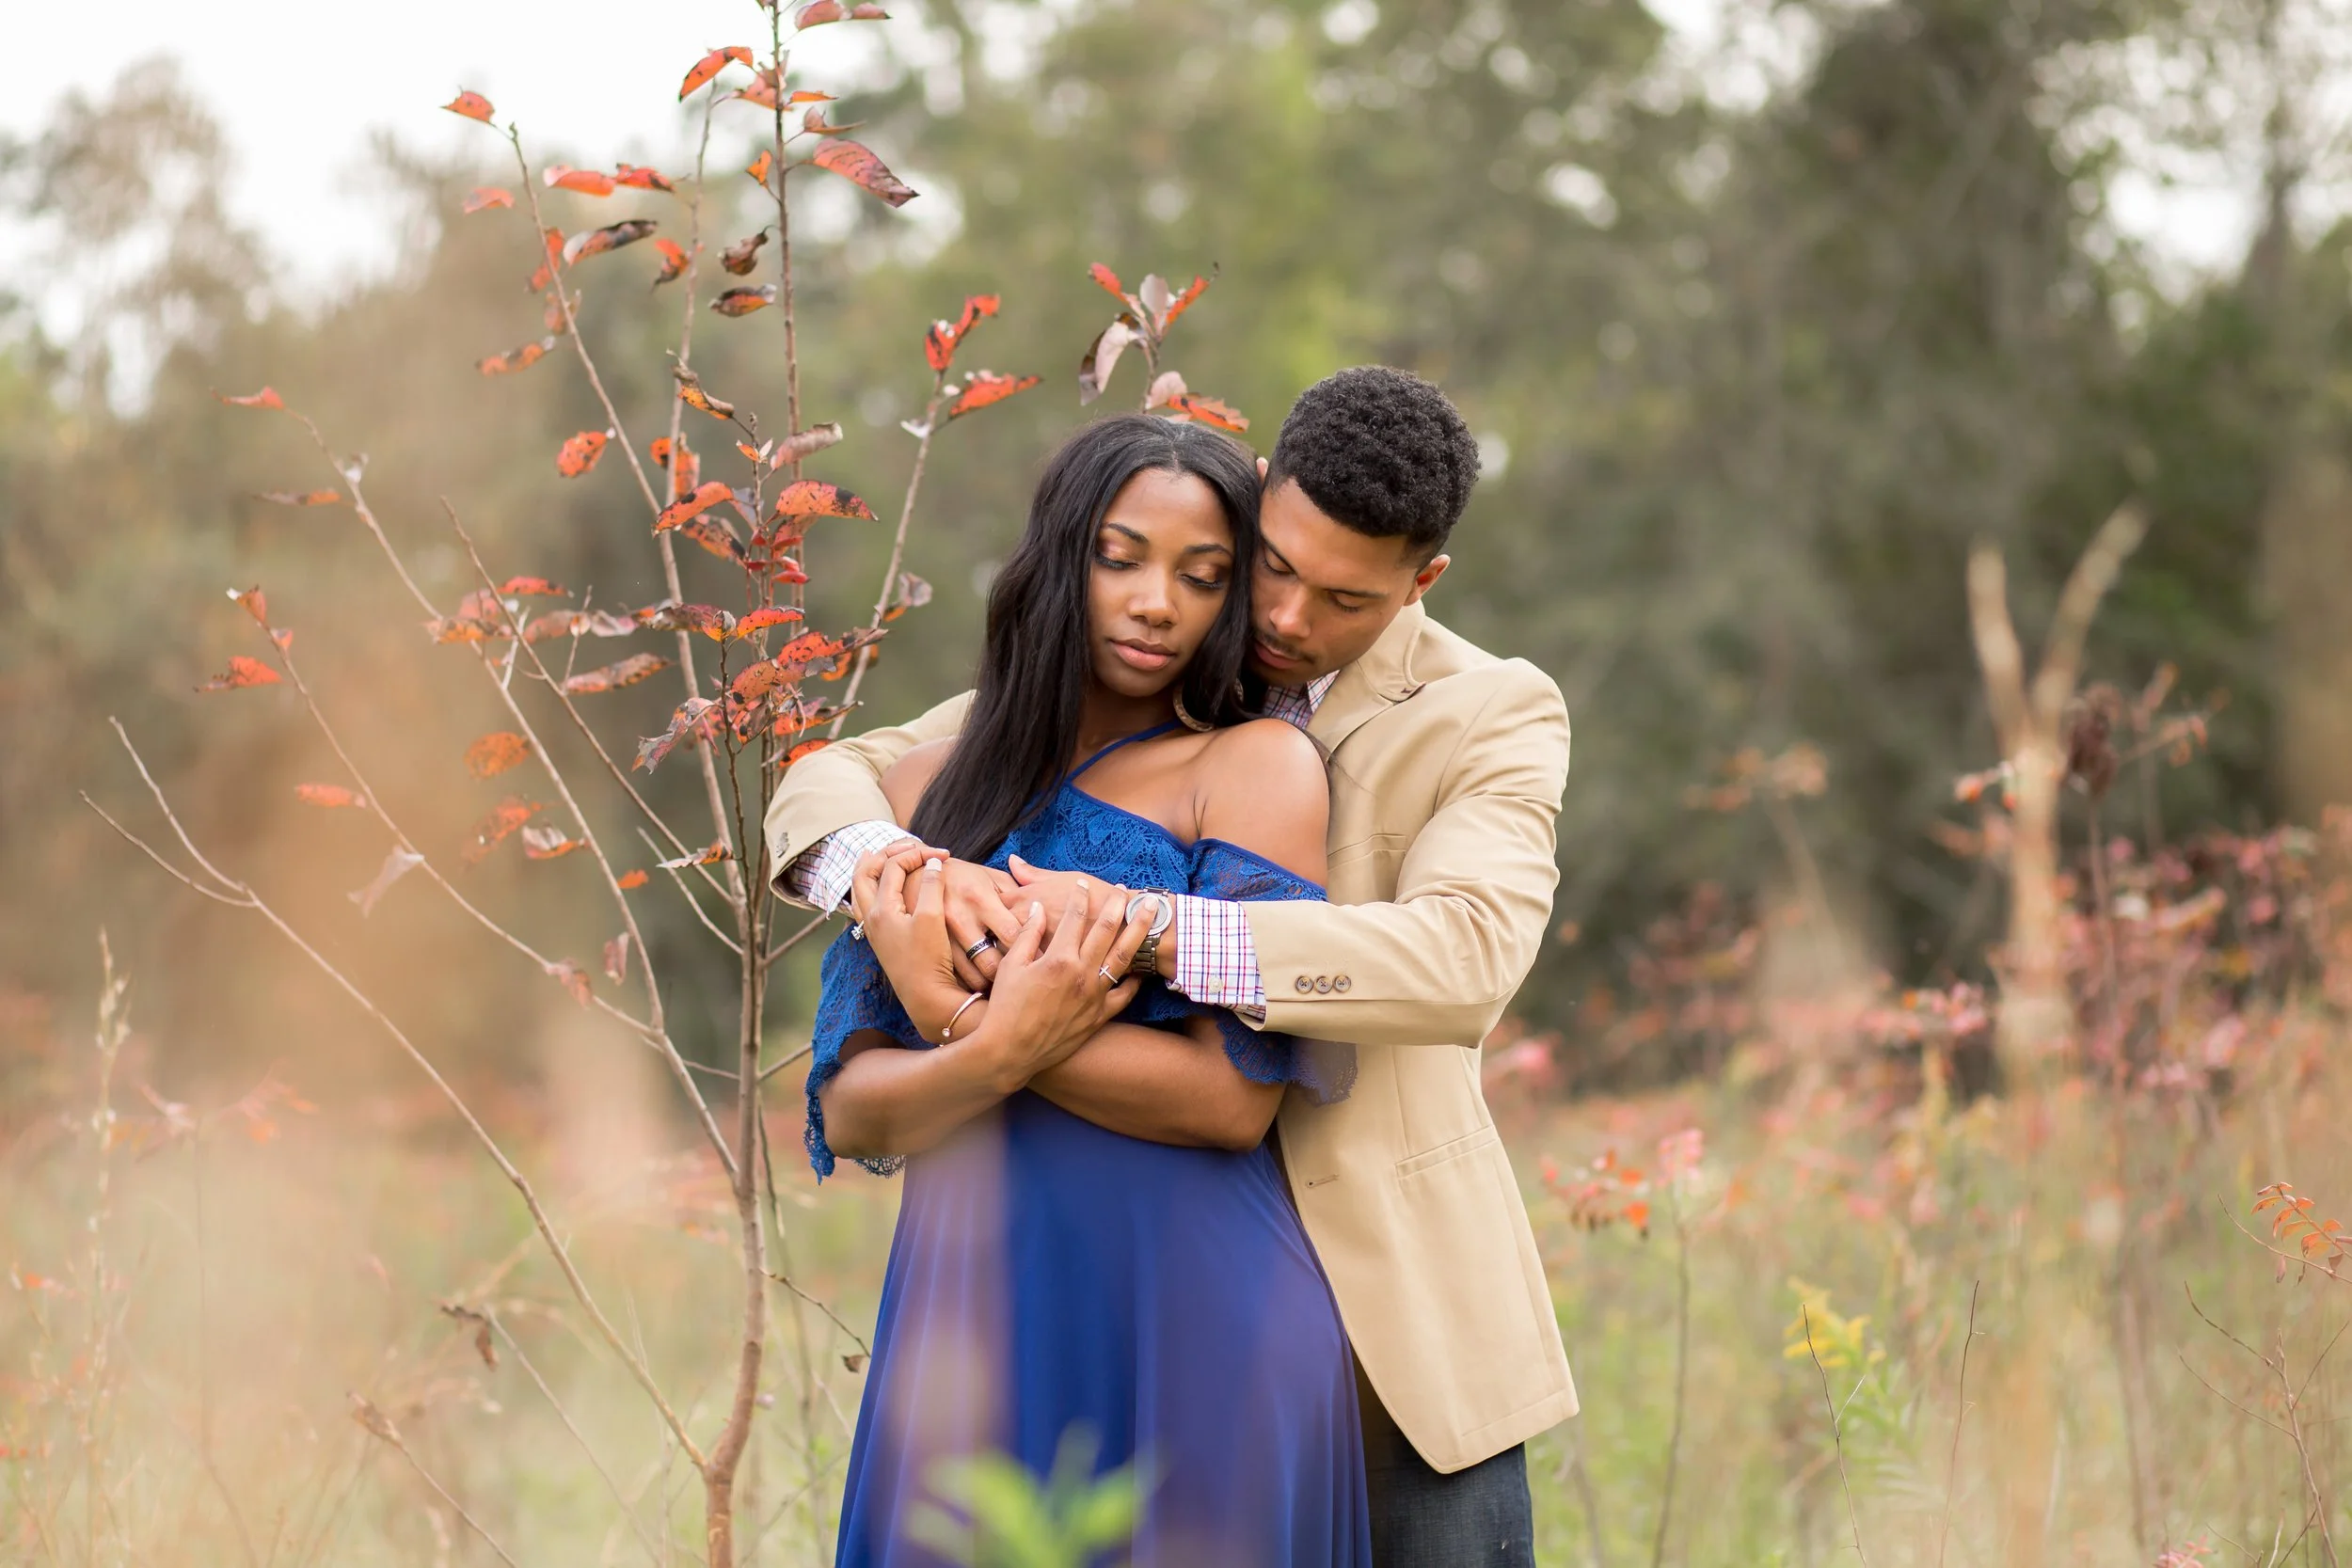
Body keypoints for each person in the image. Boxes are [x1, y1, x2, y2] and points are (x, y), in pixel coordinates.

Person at [772, 366, 1578, 1566]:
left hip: (1385, 1312)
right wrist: (891, 869)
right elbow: (855, 766)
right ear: (1256, 501)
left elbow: (1464, 959)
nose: (1291, 619)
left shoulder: (1489, 710)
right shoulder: (1154, 638)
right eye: (1274, 567)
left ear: (1423, 581)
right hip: (1062, 1274)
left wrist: (1133, 926)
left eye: (1346, 598)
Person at [802, 412, 1371, 1566]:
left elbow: (1228, 1101)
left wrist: (969, 1020)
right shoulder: (921, 795)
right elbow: (851, 1108)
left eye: (1203, 576)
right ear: (1060, 558)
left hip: (1199, 1313)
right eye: (1122, 558)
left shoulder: (1252, 767)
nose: (1158, 602)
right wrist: (988, 1053)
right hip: (970, 1312)